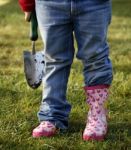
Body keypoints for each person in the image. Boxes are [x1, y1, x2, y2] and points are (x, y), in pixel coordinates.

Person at [19, 0, 113, 141]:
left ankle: (97, 114)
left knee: (95, 58)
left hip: (94, 3)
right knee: (54, 59)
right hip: (49, 4)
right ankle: (52, 115)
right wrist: (27, 3)